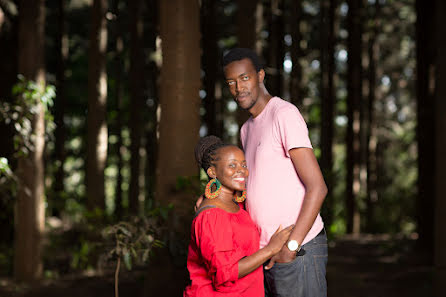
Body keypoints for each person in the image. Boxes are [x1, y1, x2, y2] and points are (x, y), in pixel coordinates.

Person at [222, 48, 329, 297]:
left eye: (245, 78)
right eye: (231, 82)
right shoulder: (246, 129)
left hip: (298, 250)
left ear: (260, 76)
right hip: (265, 254)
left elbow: (317, 186)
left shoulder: (283, 114)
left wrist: (292, 246)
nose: (238, 88)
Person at [184, 136, 294, 297]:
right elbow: (224, 273)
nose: (241, 170)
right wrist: (270, 249)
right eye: (232, 165)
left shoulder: (236, 206)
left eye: (243, 164)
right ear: (212, 172)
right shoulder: (211, 216)